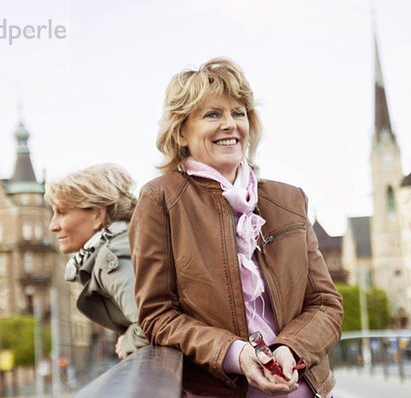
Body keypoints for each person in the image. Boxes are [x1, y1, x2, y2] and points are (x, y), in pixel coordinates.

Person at [129, 58, 343, 397]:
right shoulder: (161, 199)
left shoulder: (289, 199)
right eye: (213, 115)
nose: (230, 124)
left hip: (302, 389)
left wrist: (289, 348)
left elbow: (326, 303)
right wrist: (235, 353)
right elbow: (158, 315)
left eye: (238, 113)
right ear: (181, 132)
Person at [46, 163, 149, 359]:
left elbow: (151, 322)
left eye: (61, 213)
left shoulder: (112, 256)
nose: (53, 226)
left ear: (97, 215)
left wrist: (128, 342)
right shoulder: (125, 241)